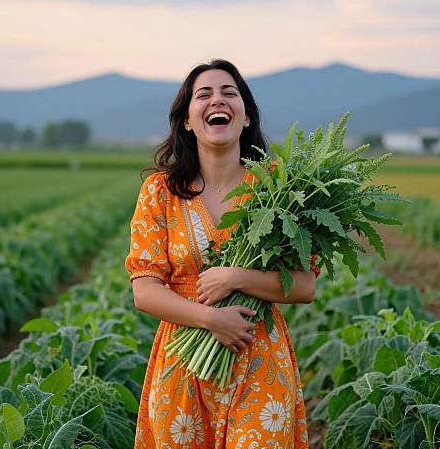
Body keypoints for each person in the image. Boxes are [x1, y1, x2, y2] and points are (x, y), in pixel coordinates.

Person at [125, 58, 319, 448]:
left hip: (259, 358)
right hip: (184, 362)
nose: (219, 100)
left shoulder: (280, 188)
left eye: (230, 93)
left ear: (246, 117)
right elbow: (144, 291)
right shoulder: (160, 192)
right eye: (205, 94)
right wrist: (211, 319)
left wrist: (237, 277)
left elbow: (303, 286)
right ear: (187, 120)